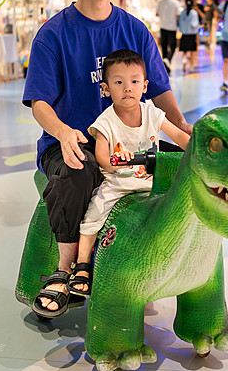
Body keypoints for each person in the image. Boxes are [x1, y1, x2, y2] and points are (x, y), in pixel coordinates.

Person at [22, 0, 191, 317]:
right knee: (79, 169)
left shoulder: (135, 30)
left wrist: (184, 128)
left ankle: (150, 269)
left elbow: (160, 91)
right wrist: (63, 132)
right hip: (74, 144)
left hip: (131, 145)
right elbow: (39, 102)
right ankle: (65, 271)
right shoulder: (54, 34)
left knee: (183, 168)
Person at [55, 49, 190, 302]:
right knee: (95, 212)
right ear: (106, 89)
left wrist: (195, 150)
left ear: (144, 86)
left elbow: (179, 136)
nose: (128, 88)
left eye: (134, 81)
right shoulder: (105, 121)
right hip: (117, 181)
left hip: (149, 179)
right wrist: (118, 161)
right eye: (118, 82)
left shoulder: (152, 113)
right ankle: (82, 264)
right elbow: (102, 158)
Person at [155, 0, 182, 73]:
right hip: (172, 27)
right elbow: (178, 15)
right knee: (173, 46)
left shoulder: (161, 2)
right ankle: (167, 60)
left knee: (164, 45)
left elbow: (157, 14)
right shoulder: (176, 3)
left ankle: (165, 63)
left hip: (163, 26)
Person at [177, 0, 200, 73]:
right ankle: (191, 66)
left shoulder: (183, 13)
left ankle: (184, 60)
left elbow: (180, 24)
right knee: (192, 51)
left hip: (184, 34)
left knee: (184, 51)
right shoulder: (194, 13)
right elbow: (194, 24)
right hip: (192, 34)